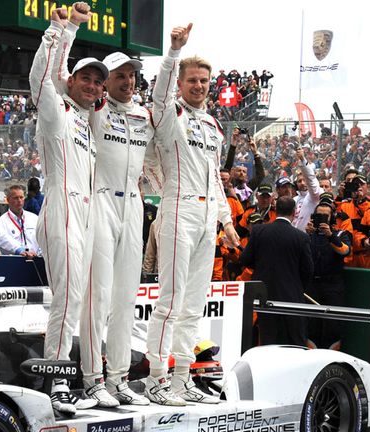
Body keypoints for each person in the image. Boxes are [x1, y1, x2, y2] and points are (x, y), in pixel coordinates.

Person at [52, 37, 155, 404]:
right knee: (98, 296)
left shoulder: (145, 116)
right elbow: (60, 85)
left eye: (132, 75)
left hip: (134, 205)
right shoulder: (92, 109)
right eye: (120, 75)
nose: (127, 81)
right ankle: (92, 377)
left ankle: (118, 378)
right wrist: (63, 33)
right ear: (105, 81)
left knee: (126, 298)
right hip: (99, 201)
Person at [145, 23, 239, 406]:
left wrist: (227, 221)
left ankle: (182, 379)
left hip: (206, 215)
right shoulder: (170, 114)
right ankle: (155, 379)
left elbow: (215, 178)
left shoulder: (214, 125)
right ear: (180, 83)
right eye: (192, 80)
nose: (199, 86)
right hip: (177, 208)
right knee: (169, 301)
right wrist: (173, 52)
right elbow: (160, 96)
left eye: (204, 81)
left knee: (193, 304)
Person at [28, 2, 104, 414]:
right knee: (68, 298)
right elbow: (42, 78)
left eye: (97, 81)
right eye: (85, 78)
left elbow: (61, 77)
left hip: (85, 213)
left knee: (82, 299)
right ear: (70, 81)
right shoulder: (56, 111)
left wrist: (72, 26)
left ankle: (77, 380)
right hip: (63, 208)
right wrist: (62, 29)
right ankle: (55, 383)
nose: (92, 86)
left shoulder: (84, 121)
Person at [240, 196, 313, 345]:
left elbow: (245, 259)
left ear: (276, 210)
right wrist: (297, 287)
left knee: (268, 340)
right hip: (291, 297)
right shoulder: (301, 237)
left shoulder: (258, 231)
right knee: (295, 341)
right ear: (294, 212)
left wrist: (261, 267)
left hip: (264, 295)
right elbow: (308, 270)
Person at [306, 200, 351, 350]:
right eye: (319, 216)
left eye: (326, 216)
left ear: (332, 218)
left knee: (333, 326)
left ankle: (332, 359)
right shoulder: (308, 235)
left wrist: (331, 236)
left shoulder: (341, 234)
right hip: (312, 286)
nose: (322, 219)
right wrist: (306, 235)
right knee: (311, 325)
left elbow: (345, 251)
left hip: (333, 285)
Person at [0, 185, 41, 256]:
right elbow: (3, 241)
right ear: (8, 200)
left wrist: (39, 254)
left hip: (34, 258)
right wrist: (19, 250)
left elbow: (41, 240)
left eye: (21, 197)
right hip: (13, 260)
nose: (19, 201)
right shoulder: (1, 221)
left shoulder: (34, 218)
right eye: (15, 198)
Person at [292, 149, 323, 231]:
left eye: (304, 180)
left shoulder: (314, 196)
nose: (302, 183)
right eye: (299, 181)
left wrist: (303, 160)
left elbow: (311, 181)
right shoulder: (294, 200)